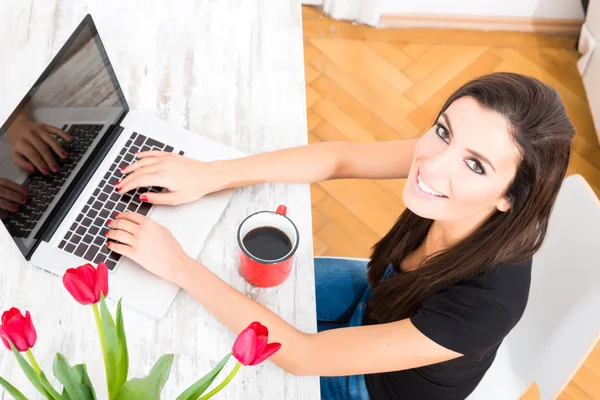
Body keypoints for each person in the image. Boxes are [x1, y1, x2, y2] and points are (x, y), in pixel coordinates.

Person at [106, 72, 575, 399]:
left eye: (475, 164)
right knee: (211, 292)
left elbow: (303, 357)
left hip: (371, 388)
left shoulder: (485, 306)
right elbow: (339, 160)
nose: (431, 163)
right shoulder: (446, 170)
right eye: (443, 131)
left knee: (199, 340)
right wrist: (212, 174)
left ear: (509, 197)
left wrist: (179, 266)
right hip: (378, 296)